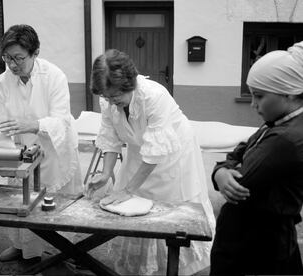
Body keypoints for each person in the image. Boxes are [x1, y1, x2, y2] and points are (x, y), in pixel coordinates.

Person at [86, 49, 215, 275]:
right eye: (107, 97)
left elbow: (155, 152)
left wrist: (127, 190)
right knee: (133, 209)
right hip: (140, 151)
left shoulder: (155, 96)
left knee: (168, 214)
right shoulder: (107, 99)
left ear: (131, 83)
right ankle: (141, 269)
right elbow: (110, 137)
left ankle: (174, 268)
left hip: (174, 156)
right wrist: (106, 174)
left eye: (115, 96)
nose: (111, 102)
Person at [0, 24, 82, 264]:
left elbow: (61, 119)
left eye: (19, 58)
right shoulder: (0, 83)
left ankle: (62, 251)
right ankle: (23, 248)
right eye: (7, 58)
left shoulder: (54, 76)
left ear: (35, 53)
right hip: (21, 152)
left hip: (54, 149)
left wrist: (32, 125)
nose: (12, 65)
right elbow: (0, 127)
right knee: (23, 201)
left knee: (54, 206)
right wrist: (8, 149)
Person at [210, 42, 303, 275]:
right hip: (258, 241)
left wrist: (224, 171)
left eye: (259, 96)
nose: (253, 105)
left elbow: (239, 183)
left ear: (288, 92)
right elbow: (240, 150)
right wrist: (221, 170)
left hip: (257, 249)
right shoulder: (279, 122)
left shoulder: (286, 138)